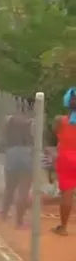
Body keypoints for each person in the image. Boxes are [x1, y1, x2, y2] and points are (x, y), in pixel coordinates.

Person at [0, 111, 33, 229]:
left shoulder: (10, 121)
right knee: (23, 191)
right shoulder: (29, 123)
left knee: (9, 188)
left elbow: (4, 129)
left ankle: (4, 213)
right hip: (26, 153)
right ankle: (19, 221)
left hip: (12, 153)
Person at [52, 87, 76, 236]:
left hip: (66, 158)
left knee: (67, 193)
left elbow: (57, 136)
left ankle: (63, 227)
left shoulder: (60, 120)